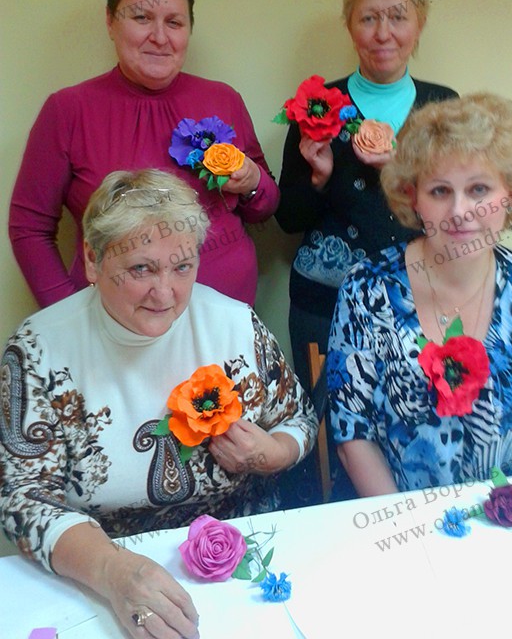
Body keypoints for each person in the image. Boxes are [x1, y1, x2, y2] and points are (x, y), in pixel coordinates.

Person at [0, 169, 317, 639]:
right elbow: (23, 498)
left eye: (182, 267)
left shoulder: (234, 324)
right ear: (92, 260)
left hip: (239, 565)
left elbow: (299, 419)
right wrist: (111, 570)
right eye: (141, 269)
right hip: (98, 575)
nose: (165, 293)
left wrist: (275, 453)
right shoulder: (38, 350)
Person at [327, 92, 512, 497]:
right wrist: (407, 526)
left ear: (510, 194)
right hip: (399, 520)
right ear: (413, 197)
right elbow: (352, 433)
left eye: (479, 189)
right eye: (440, 191)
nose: (460, 212)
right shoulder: (366, 288)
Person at [9, 0, 279, 309]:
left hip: (226, 316)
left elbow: (264, 207)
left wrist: (253, 182)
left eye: (174, 22)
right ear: (110, 22)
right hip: (112, 323)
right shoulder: (67, 110)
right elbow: (29, 227)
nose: (160, 37)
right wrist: (68, 315)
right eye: (141, 18)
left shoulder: (223, 99)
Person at [275, 0, 457, 392]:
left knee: (409, 415)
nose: (382, 33)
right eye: (369, 18)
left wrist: (400, 172)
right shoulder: (317, 104)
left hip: (418, 302)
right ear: (349, 24)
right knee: (327, 421)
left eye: (398, 17)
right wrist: (318, 180)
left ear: (420, 23)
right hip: (323, 305)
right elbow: (287, 219)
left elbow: (459, 216)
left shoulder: (444, 107)